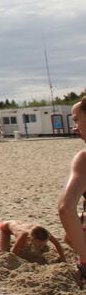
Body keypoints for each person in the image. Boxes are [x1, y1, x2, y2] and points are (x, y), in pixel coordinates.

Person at [57, 97, 86, 281]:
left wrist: (84, 259)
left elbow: (65, 209)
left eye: (76, 120)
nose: (74, 127)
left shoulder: (83, 159)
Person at [0, 220, 66, 262]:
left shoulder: (45, 232)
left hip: (18, 224)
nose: (41, 247)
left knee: (40, 249)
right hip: (5, 228)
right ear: (32, 239)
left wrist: (63, 259)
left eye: (43, 245)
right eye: (39, 245)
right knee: (4, 252)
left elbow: (57, 244)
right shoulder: (23, 235)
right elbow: (13, 254)